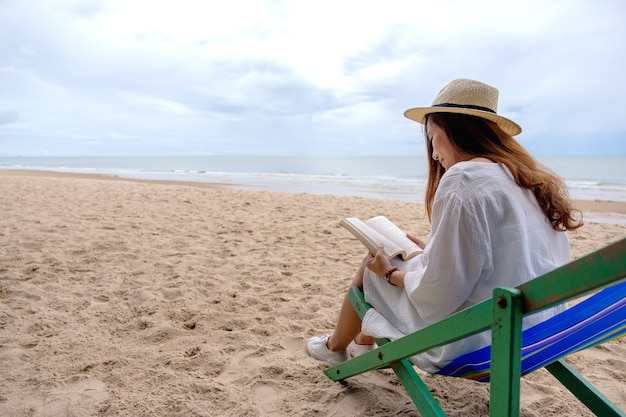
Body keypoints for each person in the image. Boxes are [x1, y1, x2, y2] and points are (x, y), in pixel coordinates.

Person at [306, 78, 583, 372]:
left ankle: (334, 348)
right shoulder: (526, 179)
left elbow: (438, 296)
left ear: (453, 131)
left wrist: (388, 272)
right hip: (538, 331)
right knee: (402, 263)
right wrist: (438, 251)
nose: (434, 153)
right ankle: (361, 345)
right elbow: (516, 259)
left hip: (478, 340)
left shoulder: (464, 179)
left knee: (373, 266)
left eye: (432, 137)